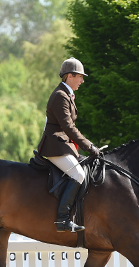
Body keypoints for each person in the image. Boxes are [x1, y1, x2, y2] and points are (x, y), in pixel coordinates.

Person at [37, 57, 101, 232]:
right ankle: (63, 219)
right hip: (55, 146)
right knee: (78, 174)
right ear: (69, 76)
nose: (82, 80)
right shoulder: (60, 96)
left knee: (86, 170)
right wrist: (89, 146)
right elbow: (68, 127)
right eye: (80, 76)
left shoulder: (67, 95)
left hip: (63, 145)